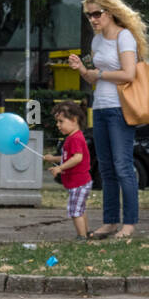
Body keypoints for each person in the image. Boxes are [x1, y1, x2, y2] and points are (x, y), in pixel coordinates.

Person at [68, 0, 149, 240]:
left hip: (120, 109)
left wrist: (99, 74)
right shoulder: (96, 41)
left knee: (122, 166)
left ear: (110, 11)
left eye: (97, 13)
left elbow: (128, 74)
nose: (93, 19)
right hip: (102, 107)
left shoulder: (124, 37)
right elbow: (95, 78)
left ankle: (129, 223)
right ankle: (110, 221)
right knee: (105, 168)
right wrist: (83, 69)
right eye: (88, 15)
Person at [43, 100, 92, 239]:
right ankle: (86, 233)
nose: (58, 125)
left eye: (61, 121)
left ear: (74, 120)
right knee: (80, 209)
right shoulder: (72, 138)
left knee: (75, 210)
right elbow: (67, 157)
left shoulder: (75, 139)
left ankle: (81, 237)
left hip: (79, 182)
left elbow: (77, 158)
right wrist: (53, 159)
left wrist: (60, 168)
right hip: (79, 182)